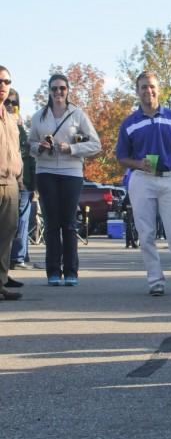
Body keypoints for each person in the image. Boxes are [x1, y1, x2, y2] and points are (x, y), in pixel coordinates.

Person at [116, 72, 171, 297]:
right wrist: (138, 163)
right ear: (137, 91)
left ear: (159, 89)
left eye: (152, 86)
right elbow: (122, 156)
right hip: (142, 179)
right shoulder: (129, 123)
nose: (148, 91)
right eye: (144, 87)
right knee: (146, 234)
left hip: (169, 178)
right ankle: (155, 281)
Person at [28, 73, 101, 287]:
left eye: (62, 88)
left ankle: (71, 271)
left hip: (71, 172)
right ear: (48, 92)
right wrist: (40, 147)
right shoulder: (39, 117)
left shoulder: (77, 115)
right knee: (51, 223)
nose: (58, 92)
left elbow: (95, 145)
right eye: (54, 89)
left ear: (68, 90)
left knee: (68, 223)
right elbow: (30, 145)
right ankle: (52, 271)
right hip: (46, 171)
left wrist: (72, 148)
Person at [6, 89, 36, 275]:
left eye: (14, 103)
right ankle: (14, 258)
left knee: (22, 221)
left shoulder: (20, 128)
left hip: (24, 181)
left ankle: (19, 257)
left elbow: (28, 155)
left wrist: (33, 183)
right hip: (6, 181)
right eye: (7, 102)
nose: (10, 105)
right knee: (9, 223)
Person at [0, 68, 22, 301]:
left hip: (11, 184)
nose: (4, 85)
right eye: (0, 81)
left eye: (7, 81)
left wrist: (20, 180)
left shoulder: (9, 117)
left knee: (6, 236)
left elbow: (15, 151)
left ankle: (1, 282)